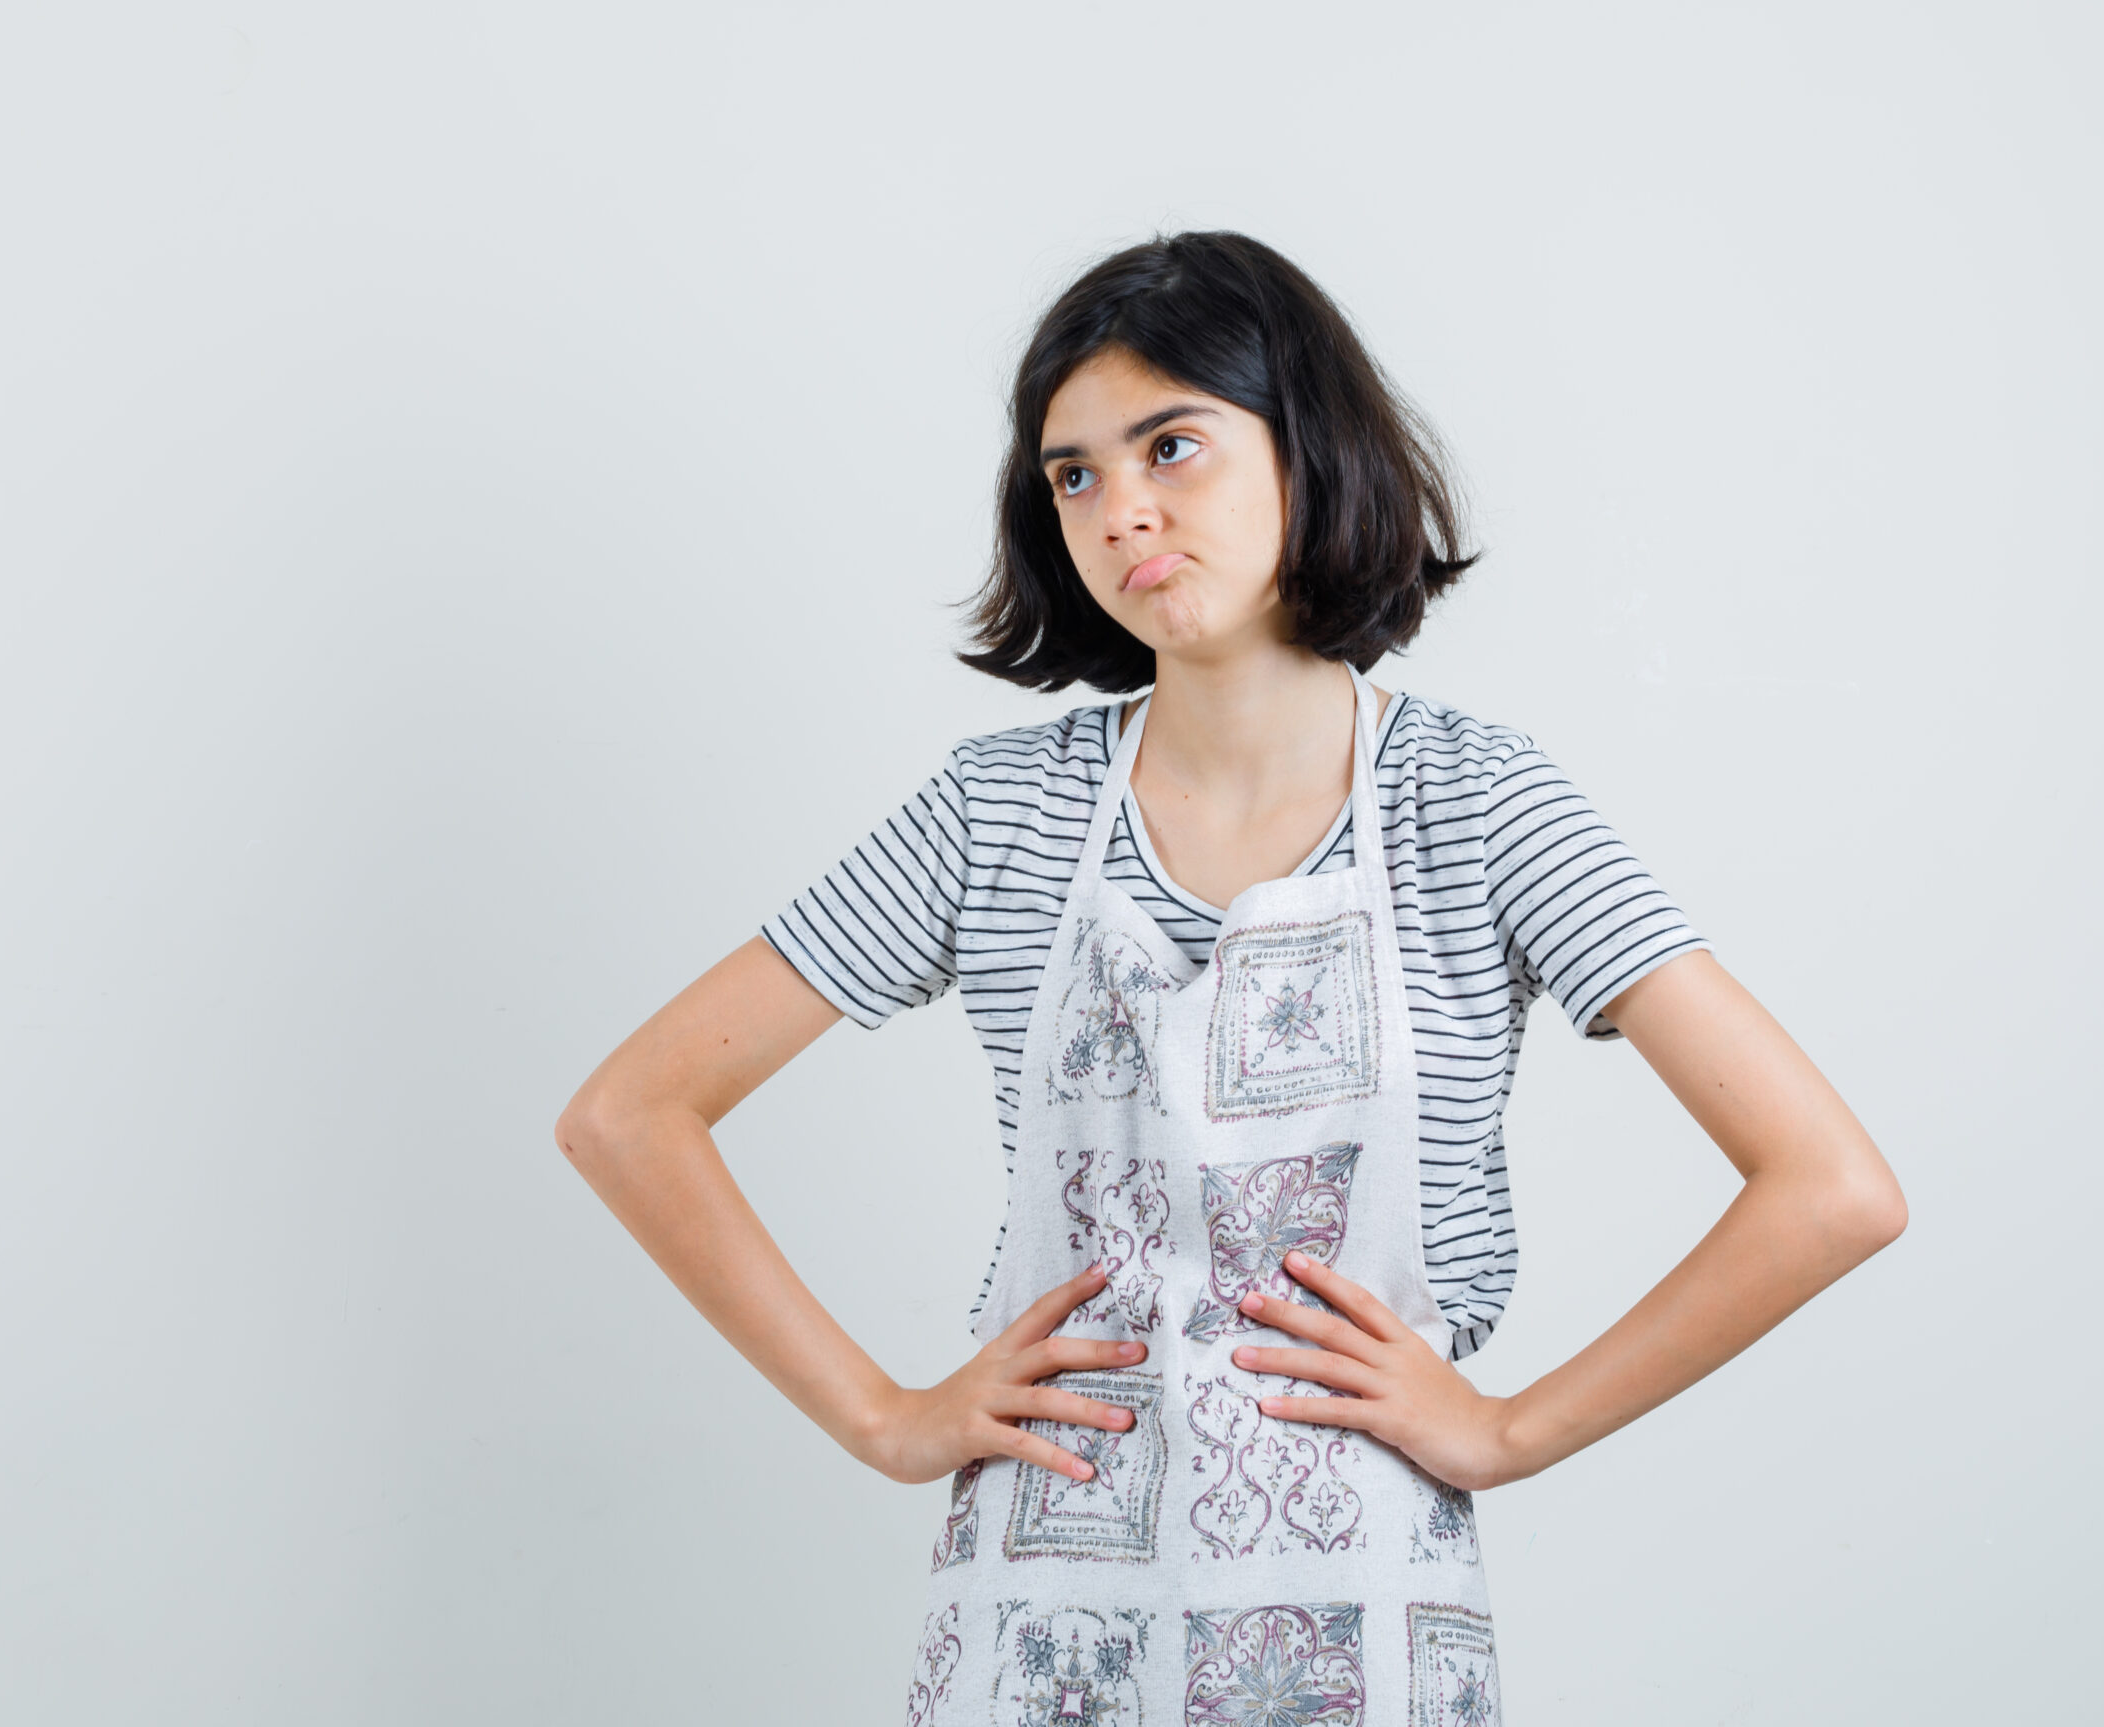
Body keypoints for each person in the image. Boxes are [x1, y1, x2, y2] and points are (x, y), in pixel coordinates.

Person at [555, 230, 1905, 1725]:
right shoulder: (994, 816)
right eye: (1073, 475)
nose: (1122, 507)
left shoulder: (1478, 808)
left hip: (1366, 1617)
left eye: (1172, 445)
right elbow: (632, 1112)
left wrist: (1511, 1430)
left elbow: (1831, 1187)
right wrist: (883, 1417)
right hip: (1042, 1610)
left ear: (1308, 452)